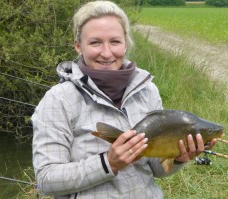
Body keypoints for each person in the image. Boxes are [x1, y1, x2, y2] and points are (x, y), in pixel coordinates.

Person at [32, 1, 216, 198]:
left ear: (125, 43)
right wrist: (108, 163)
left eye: (115, 41)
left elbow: (157, 169)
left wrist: (178, 158)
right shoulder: (58, 100)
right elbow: (46, 179)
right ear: (78, 46)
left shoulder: (147, 91)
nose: (106, 52)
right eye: (95, 42)